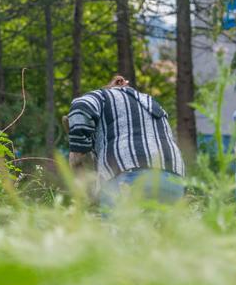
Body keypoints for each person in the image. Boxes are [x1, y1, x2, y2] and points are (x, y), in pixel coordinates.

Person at [67, 75, 185, 207]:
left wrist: (77, 153)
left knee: (119, 228)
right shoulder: (153, 105)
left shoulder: (103, 95)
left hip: (130, 175)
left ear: (117, 84)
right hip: (174, 181)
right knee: (162, 228)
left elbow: (82, 105)